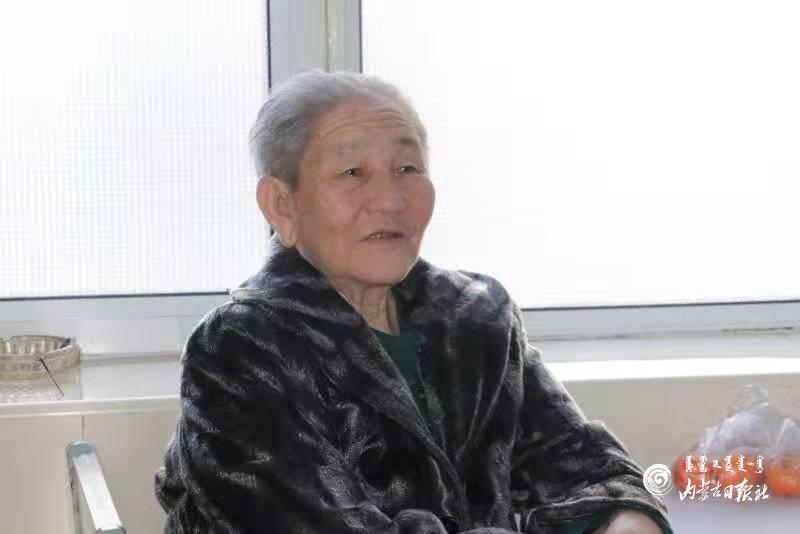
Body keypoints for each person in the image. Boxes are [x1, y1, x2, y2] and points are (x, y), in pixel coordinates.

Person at [155, 70, 672, 534]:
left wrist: (625, 519)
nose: (390, 199)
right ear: (281, 204)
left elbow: (579, 463)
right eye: (352, 173)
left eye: (407, 167)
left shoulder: (476, 315)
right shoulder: (239, 348)